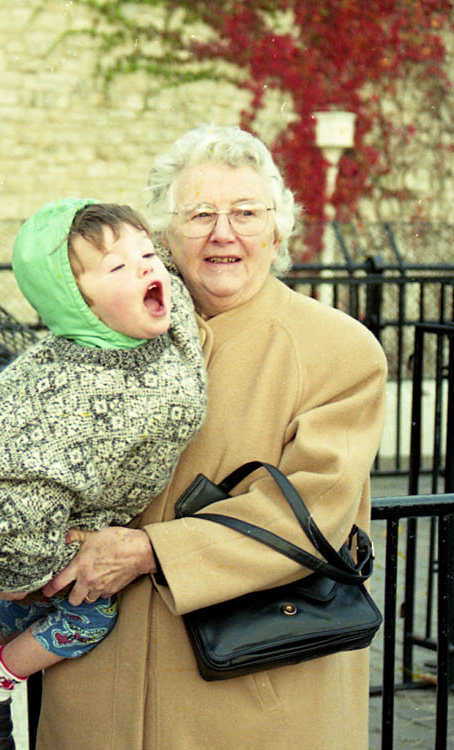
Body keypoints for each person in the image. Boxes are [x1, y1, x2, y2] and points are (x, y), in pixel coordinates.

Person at [34, 125, 388, 750]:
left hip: (249, 700)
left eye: (246, 213)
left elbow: (310, 515)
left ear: (277, 231)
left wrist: (149, 551)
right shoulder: (105, 335)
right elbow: (30, 433)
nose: (223, 233)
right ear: (164, 236)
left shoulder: (339, 350)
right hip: (100, 691)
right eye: (199, 215)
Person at [0, 199, 207, 750]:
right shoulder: (59, 383)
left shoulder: (166, 323)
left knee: (47, 599)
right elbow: (13, 467)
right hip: (39, 530)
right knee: (91, 614)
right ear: (77, 302)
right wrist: (28, 556)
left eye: (148, 256)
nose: (146, 269)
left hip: (87, 517)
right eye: (118, 267)